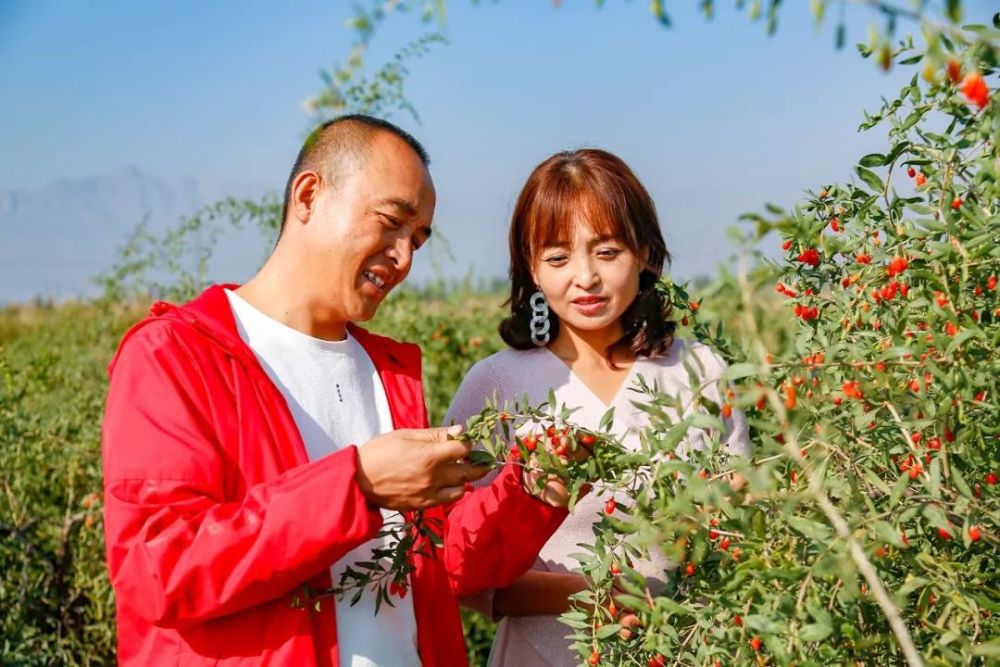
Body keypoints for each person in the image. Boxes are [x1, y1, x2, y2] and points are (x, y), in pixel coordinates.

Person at [101, 115, 578, 667]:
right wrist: (356, 486)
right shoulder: (176, 356)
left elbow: (441, 561)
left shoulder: (388, 370)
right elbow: (160, 569)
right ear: (309, 196)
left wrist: (535, 491)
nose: (404, 259)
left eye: (418, 239)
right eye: (391, 222)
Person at [445, 148, 751, 666]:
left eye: (607, 252)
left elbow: (738, 524)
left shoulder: (699, 372)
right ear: (531, 268)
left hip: (686, 649)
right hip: (542, 653)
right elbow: (458, 568)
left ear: (646, 253)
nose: (584, 277)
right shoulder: (497, 386)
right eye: (558, 257)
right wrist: (595, 597)